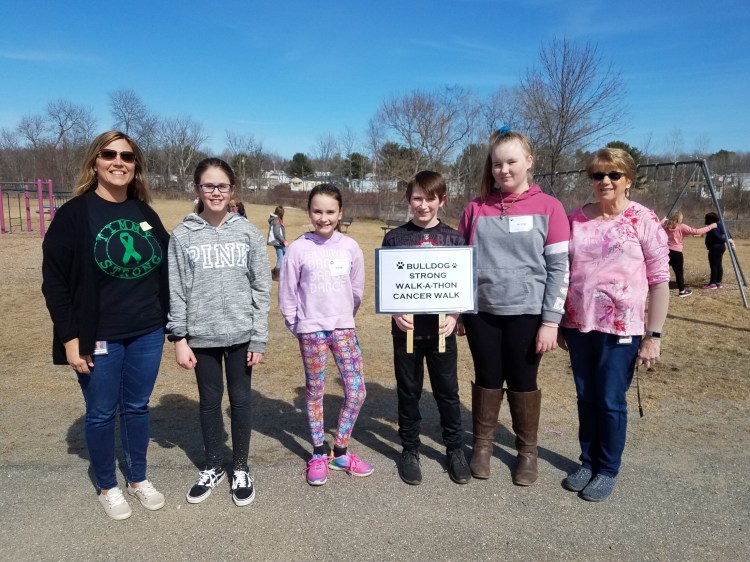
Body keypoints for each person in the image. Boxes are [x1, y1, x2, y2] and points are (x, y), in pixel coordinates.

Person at [41, 130, 169, 520]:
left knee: (136, 407)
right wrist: (70, 336)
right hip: (98, 335)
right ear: (95, 162)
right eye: (110, 154)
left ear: (136, 166)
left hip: (147, 329)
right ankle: (107, 485)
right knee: (100, 412)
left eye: (127, 157)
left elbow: (170, 262)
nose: (119, 162)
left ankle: (137, 478)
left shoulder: (144, 213)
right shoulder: (75, 214)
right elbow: (54, 281)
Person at [457, 128, 570, 485]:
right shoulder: (475, 209)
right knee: (487, 378)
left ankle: (527, 453)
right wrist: (458, 308)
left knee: (523, 380)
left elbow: (559, 268)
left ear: (529, 162)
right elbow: (459, 264)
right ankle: (483, 446)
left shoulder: (550, 207)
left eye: (511, 162)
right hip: (482, 313)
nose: (504, 170)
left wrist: (551, 321)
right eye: (496, 164)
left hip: (528, 313)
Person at [560, 148, 670, 502]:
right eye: (597, 175)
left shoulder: (643, 219)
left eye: (613, 175)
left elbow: (659, 280)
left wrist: (653, 336)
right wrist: (560, 321)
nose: (605, 181)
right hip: (579, 326)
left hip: (622, 329)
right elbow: (563, 273)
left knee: (609, 400)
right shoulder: (575, 218)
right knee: (585, 397)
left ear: (628, 179)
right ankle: (587, 461)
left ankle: (607, 468)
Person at [167, 158, 271, 507]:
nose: (215, 192)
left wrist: (258, 337)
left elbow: (261, 289)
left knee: (240, 401)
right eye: (208, 185)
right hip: (202, 335)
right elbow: (176, 289)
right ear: (197, 188)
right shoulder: (183, 235)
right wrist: (179, 338)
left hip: (242, 335)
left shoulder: (248, 233)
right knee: (210, 402)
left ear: (232, 190)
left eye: (222, 186)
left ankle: (240, 466)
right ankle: (213, 465)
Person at [278, 184, 373, 486]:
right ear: (309, 212)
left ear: (340, 213)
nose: (323, 217)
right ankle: (318, 451)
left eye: (330, 211)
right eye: (317, 211)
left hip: (343, 329)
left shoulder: (350, 247)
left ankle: (341, 449)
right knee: (315, 391)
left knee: (357, 391)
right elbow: (287, 291)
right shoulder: (298, 248)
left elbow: (356, 289)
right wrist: (297, 324)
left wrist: (345, 316)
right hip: (311, 332)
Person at [382, 171, 471, 486]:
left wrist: (455, 314)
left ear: (441, 200)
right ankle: (409, 448)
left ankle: (455, 449)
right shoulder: (394, 238)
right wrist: (395, 311)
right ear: (408, 199)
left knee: (448, 392)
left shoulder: (454, 239)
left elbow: (461, 284)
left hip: (441, 330)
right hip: (407, 331)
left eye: (430, 198)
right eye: (417, 198)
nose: (423, 205)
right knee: (408, 391)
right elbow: (388, 285)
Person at [662, 211, 717, 297]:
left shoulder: (664, 225)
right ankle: (682, 291)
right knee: (679, 273)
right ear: (680, 218)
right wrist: (711, 226)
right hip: (676, 253)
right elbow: (697, 231)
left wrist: (663, 220)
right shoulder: (681, 227)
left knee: (662, 271)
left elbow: (658, 225)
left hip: (665, 252)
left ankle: (659, 289)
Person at [703, 211, 735, 289]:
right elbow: (728, 235)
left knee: (714, 265)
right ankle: (718, 282)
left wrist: (728, 240)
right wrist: (729, 240)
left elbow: (719, 237)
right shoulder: (721, 225)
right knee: (718, 265)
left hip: (715, 248)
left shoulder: (714, 226)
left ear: (710, 220)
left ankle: (713, 283)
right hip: (720, 247)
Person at [267, 205, 288, 280]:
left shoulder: (277, 219)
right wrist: (284, 240)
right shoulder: (276, 220)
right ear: (280, 213)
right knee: (281, 257)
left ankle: (278, 271)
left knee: (286, 253)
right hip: (277, 242)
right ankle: (276, 274)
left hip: (279, 242)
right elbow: (276, 233)